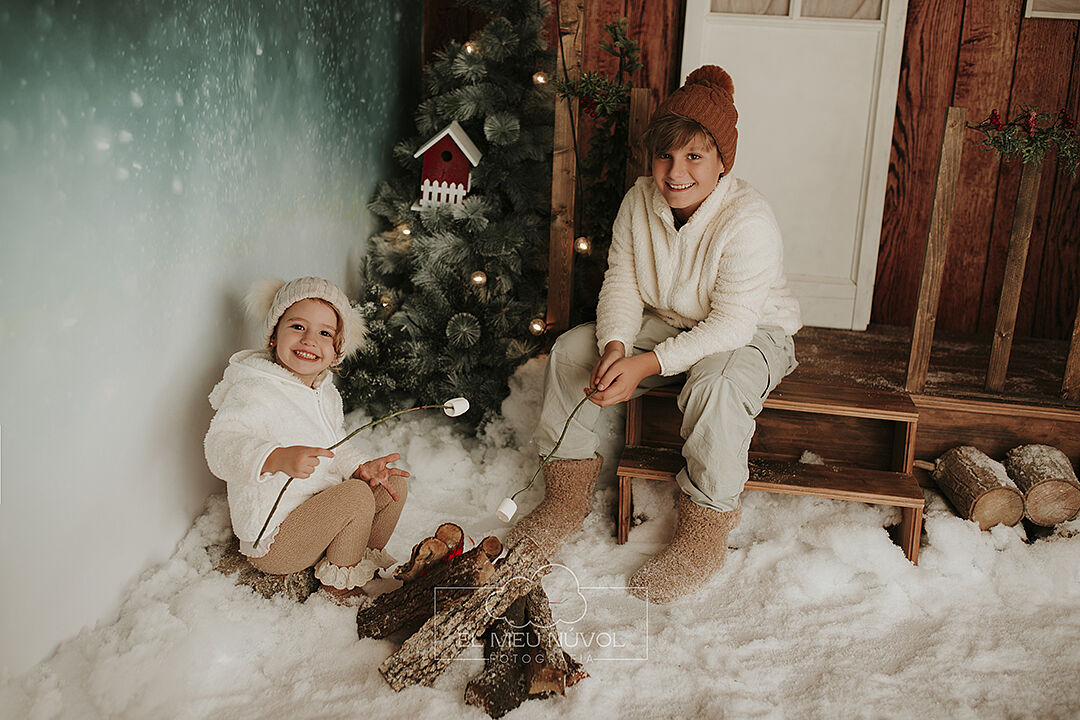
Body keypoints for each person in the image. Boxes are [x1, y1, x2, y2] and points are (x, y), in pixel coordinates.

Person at [505, 66, 802, 603]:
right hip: (670, 320)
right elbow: (622, 282)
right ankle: (564, 498)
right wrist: (617, 345)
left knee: (716, 389)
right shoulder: (639, 201)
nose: (676, 171)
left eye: (695, 157)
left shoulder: (748, 219)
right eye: (666, 155)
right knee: (575, 351)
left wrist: (644, 366)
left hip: (751, 327)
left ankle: (704, 531)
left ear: (721, 162)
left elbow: (732, 323)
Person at [204, 276, 409, 604]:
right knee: (356, 497)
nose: (310, 340)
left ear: (336, 351)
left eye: (325, 333)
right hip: (276, 538)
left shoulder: (323, 391)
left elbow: (335, 445)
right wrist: (274, 457)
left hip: (316, 515)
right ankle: (338, 587)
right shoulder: (256, 390)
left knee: (392, 487)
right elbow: (219, 445)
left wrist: (361, 466)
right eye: (298, 327)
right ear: (274, 336)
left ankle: (353, 559)